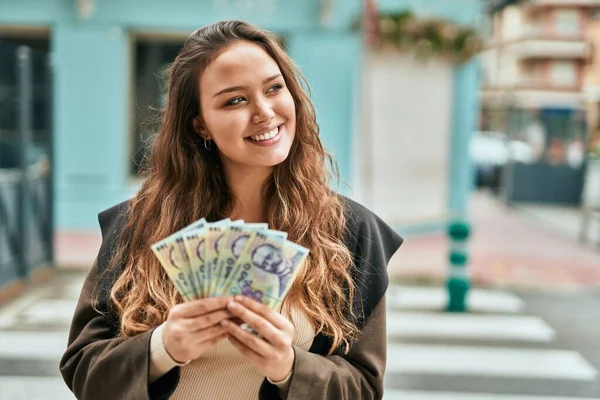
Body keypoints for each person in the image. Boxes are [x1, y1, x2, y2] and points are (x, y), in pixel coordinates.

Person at [60, 20, 402, 400]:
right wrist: (163, 348)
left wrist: (289, 367)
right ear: (200, 125)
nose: (264, 112)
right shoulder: (136, 225)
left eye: (274, 88)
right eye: (234, 100)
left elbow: (364, 389)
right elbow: (83, 370)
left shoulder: (351, 232)